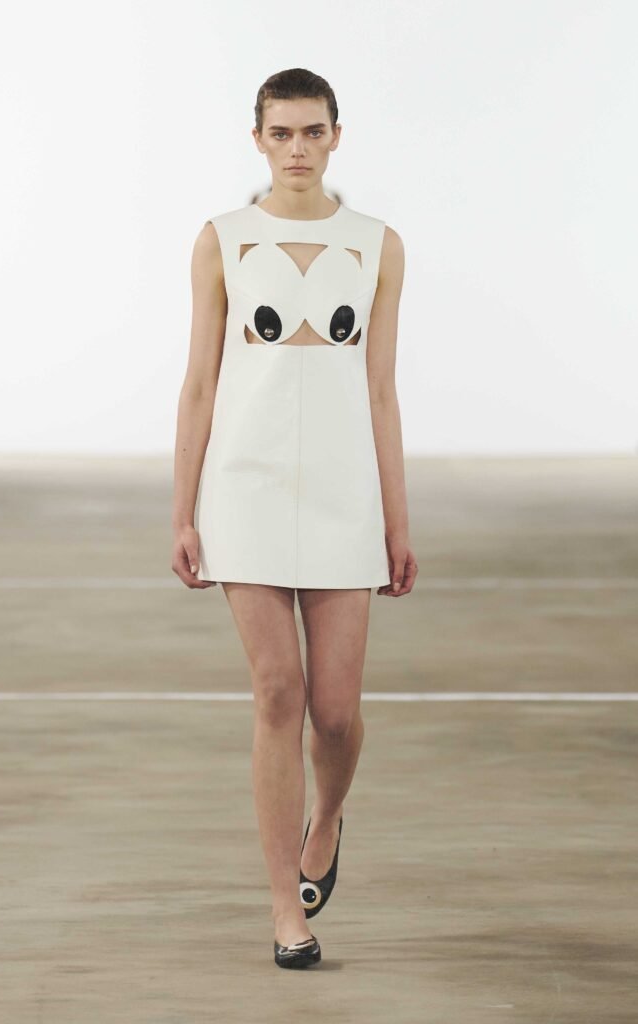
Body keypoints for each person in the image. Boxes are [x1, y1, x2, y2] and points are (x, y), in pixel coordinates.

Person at [171, 67, 418, 969]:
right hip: (245, 488)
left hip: (344, 494)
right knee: (278, 691)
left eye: (313, 132)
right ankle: (286, 909)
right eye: (281, 133)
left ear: (335, 136)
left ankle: (328, 819)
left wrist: (396, 522)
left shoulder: (377, 244)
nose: (298, 149)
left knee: (337, 713)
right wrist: (183, 511)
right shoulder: (222, 240)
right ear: (258, 141)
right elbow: (200, 384)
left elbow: (380, 390)